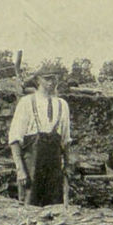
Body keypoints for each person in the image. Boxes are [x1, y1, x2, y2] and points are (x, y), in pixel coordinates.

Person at [8, 64, 72, 206]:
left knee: (55, 207)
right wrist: (20, 170)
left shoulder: (62, 104)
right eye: (47, 79)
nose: (52, 82)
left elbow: (66, 141)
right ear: (38, 80)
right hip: (32, 167)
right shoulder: (27, 102)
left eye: (55, 78)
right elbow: (14, 139)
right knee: (31, 206)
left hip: (54, 167)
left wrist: (67, 166)